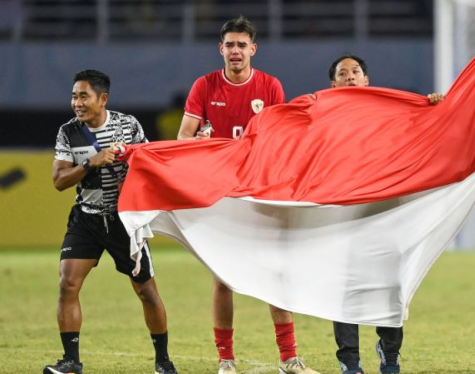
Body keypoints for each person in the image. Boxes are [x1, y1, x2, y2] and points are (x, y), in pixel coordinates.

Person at [177, 16, 319, 374]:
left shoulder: (270, 87)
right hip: (220, 193)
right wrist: (200, 144)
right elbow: (182, 139)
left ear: (252, 49)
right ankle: (226, 359)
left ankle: (289, 357)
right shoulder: (205, 86)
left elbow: (279, 138)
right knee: (223, 279)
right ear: (220, 48)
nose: (236, 51)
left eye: (242, 45)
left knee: (274, 272)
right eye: (230, 45)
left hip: (259, 190)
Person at [46, 70, 177, 374]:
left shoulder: (127, 125)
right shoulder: (68, 132)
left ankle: (163, 360)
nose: (76, 103)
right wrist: (90, 163)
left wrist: (130, 180)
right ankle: (71, 362)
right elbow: (59, 180)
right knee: (67, 284)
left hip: (123, 222)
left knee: (146, 291)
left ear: (102, 98)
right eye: (74, 96)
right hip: (87, 220)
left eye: (83, 96)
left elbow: (147, 165)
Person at [327, 54, 443, 374]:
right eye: (343, 73)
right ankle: (349, 360)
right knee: (344, 289)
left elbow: (423, 133)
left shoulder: (390, 113)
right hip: (342, 215)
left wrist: (435, 109)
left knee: (391, 287)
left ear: (367, 81)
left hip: (387, 215)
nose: (350, 76)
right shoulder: (321, 119)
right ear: (333, 84)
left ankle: (390, 354)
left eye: (356, 72)